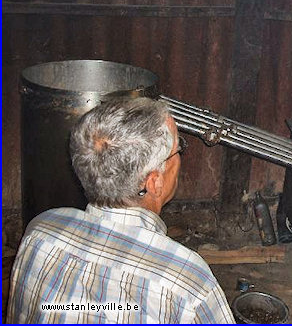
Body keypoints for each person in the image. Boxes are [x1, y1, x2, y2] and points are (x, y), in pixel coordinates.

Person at [7, 97, 235, 324]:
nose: (181, 155)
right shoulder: (188, 281)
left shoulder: (40, 232)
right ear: (154, 182)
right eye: (179, 148)